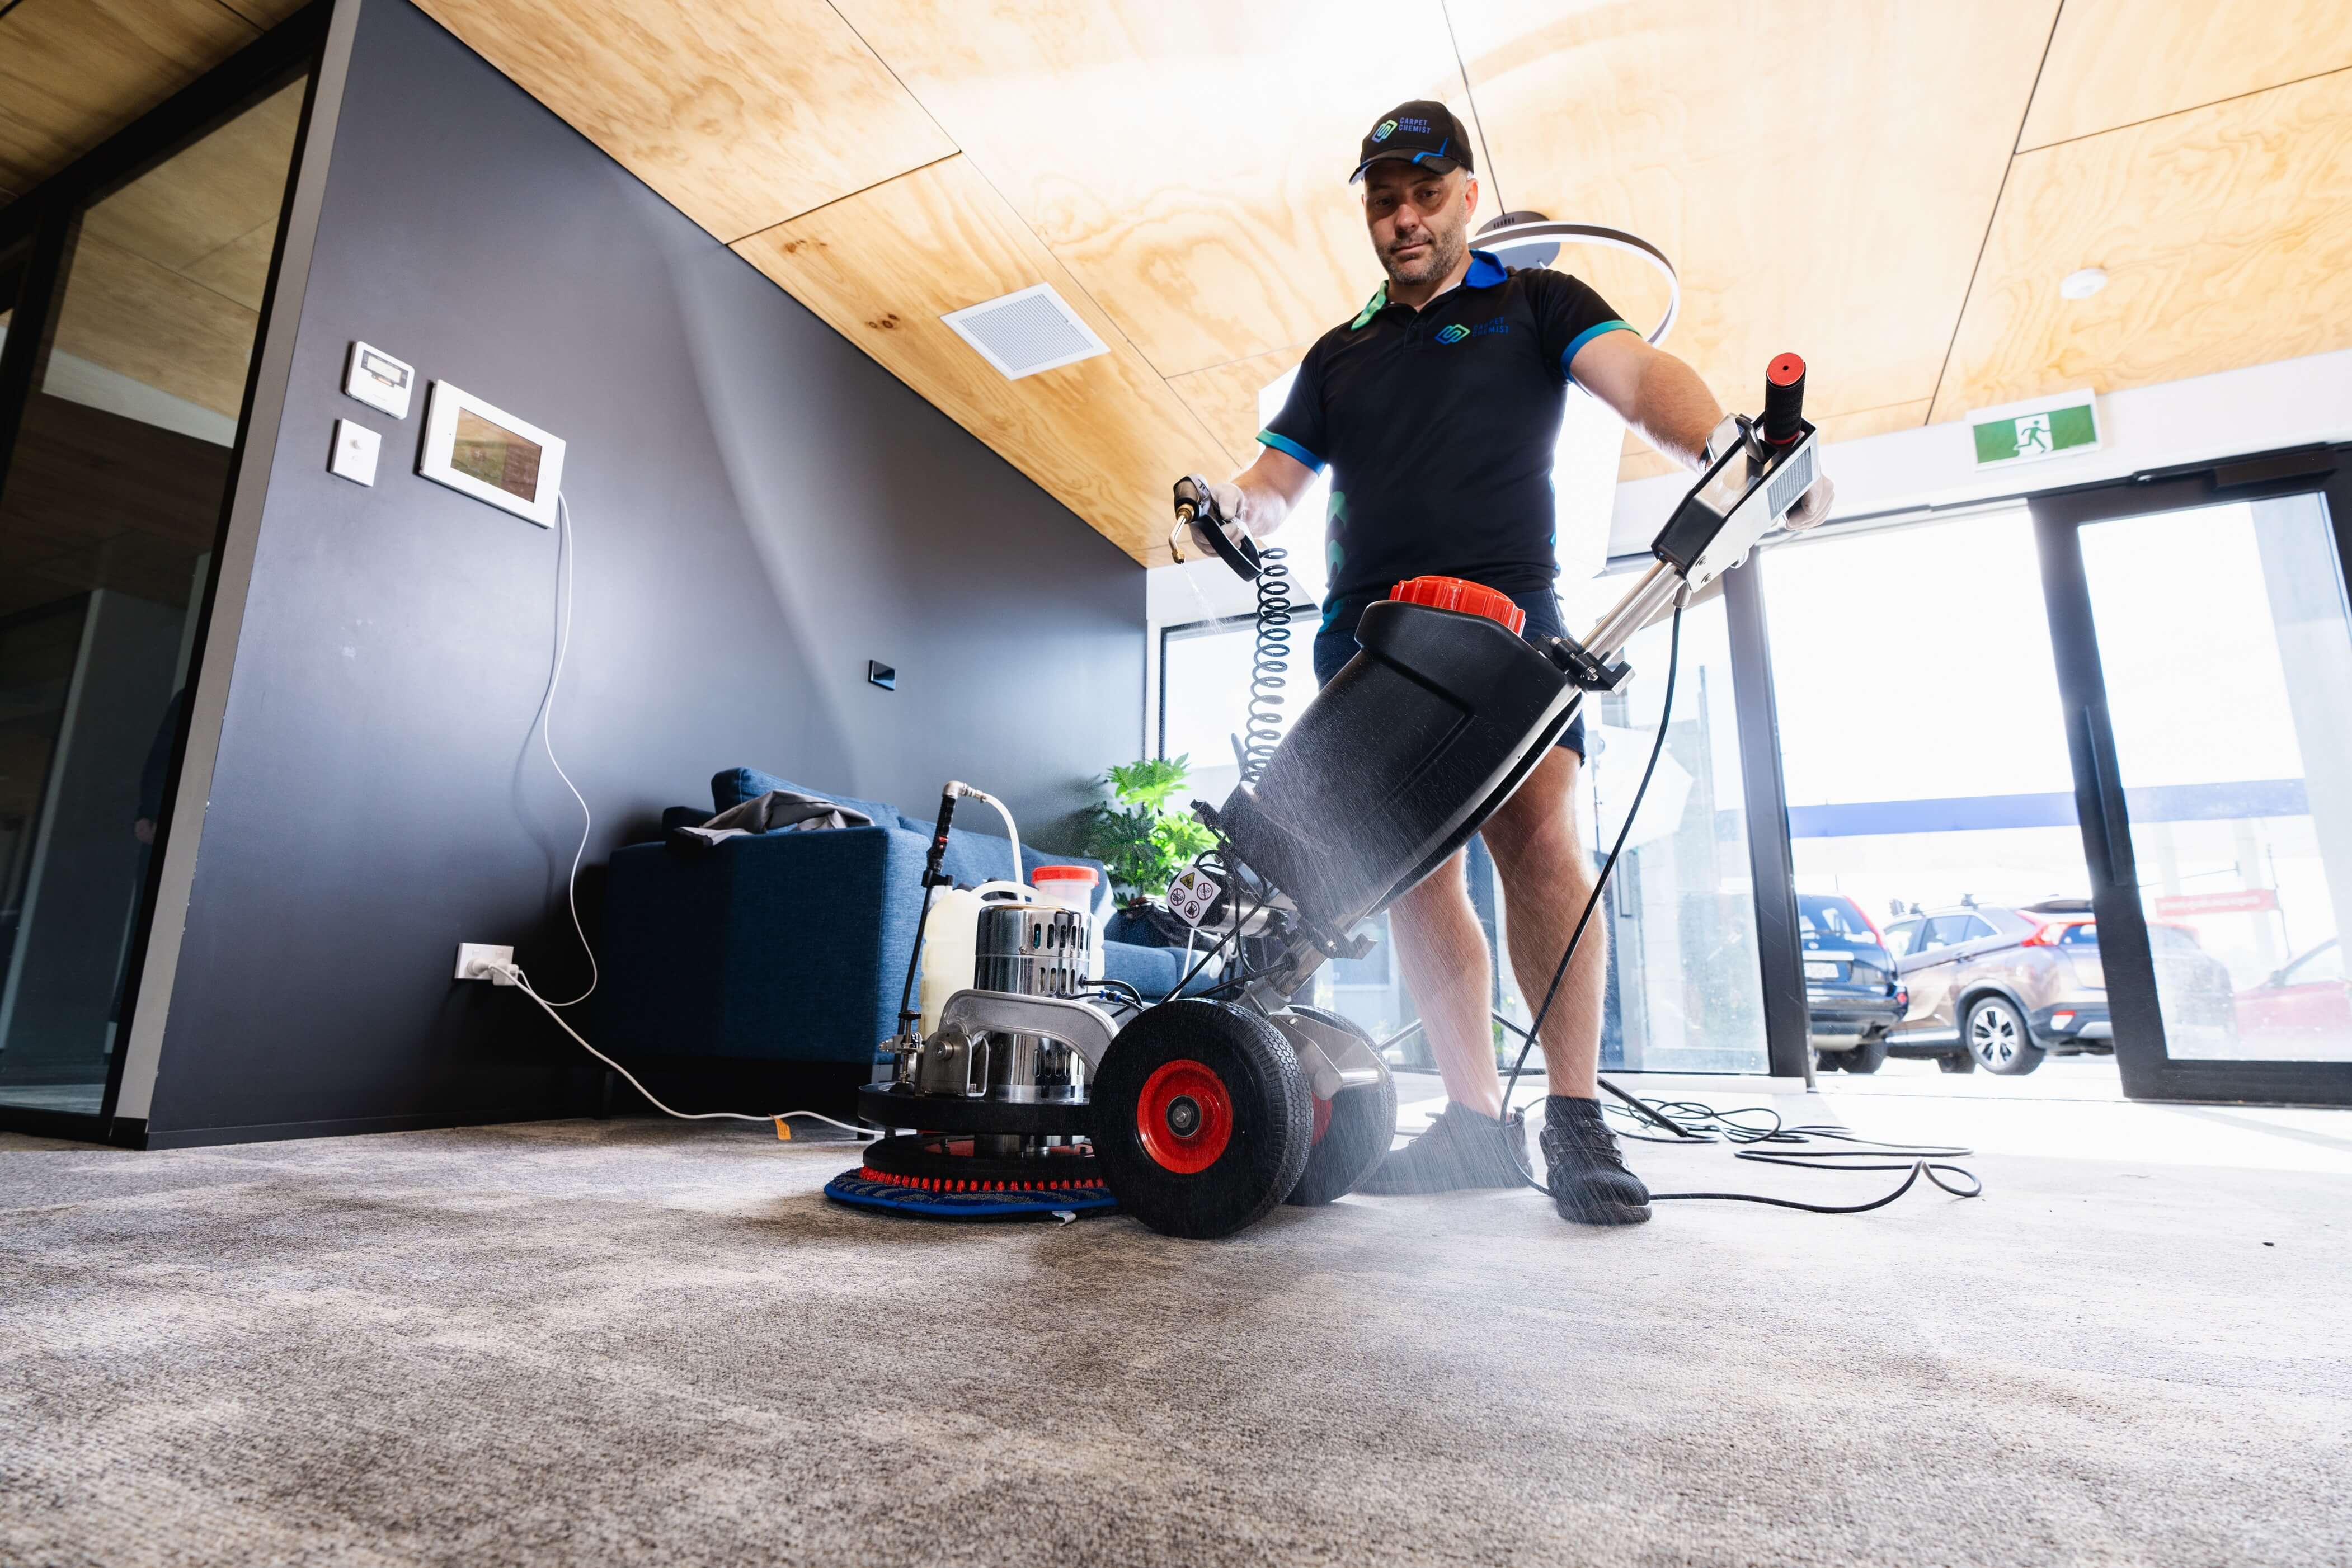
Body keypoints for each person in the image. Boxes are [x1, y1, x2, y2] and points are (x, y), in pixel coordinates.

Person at [1179, 101, 1831, 1225]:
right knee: (1414, 879)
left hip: (1507, 623)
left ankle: (1573, 1119)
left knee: (1535, 842)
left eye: (1422, 194)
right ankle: (1477, 1124)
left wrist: (1731, 455)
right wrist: (1226, 507)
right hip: (1368, 639)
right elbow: (1272, 484)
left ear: (1466, 198)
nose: (1400, 218)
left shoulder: (1537, 301)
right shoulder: (1337, 355)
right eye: (1381, 200)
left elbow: (1639, 381)